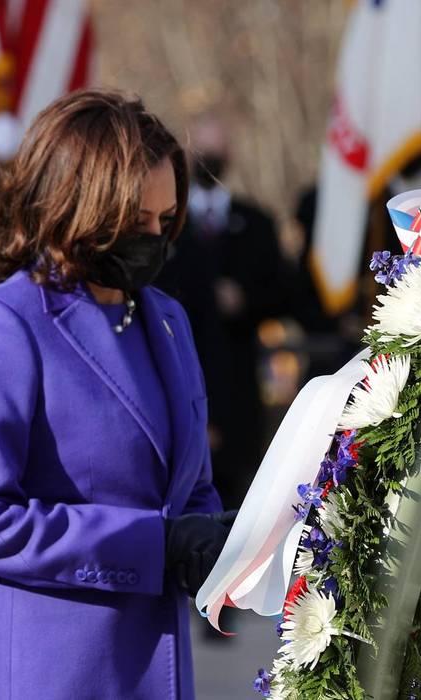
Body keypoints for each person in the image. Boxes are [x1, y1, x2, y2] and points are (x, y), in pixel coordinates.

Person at [0, 90, 234, 700]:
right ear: (75, 208)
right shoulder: (0, 323)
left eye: (164, 221)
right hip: (42, 672)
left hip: (150, 666)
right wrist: (156, 545)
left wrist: (227, 541)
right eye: (135, 222)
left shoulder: (168, 320)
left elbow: (189, 485)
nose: (154, 239)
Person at [155, 112, 290, 512]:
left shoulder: (256, 222)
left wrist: (244, 299)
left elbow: (283, 293)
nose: (208, 158)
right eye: (201, 150)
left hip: (237, 384)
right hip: (178, 371)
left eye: (216, 149)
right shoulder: (164, 226)